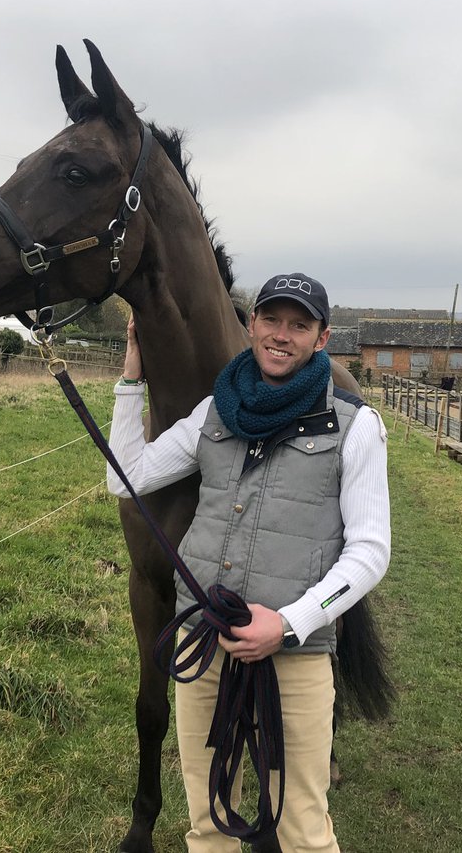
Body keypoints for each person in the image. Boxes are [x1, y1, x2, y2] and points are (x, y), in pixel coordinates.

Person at [106, 272, 391, 853]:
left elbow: (370, 553)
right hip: (204, 647)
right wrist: (130, 380)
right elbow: (125, 477)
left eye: (299, 324)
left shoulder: (357, 426)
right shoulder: (217, 411)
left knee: (303, 830)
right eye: (272, 320)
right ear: (252, 325)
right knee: (208, 823)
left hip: (296, 660)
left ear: (322, 337)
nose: (282, 335)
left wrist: (287, 624)